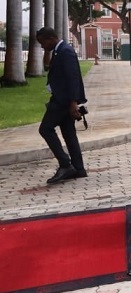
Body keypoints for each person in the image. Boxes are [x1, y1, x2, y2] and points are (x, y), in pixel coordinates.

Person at [36, 27, 88, 185]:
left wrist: (73, 102)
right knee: (68, 132)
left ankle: (65, 164)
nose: (42, 46)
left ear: (51, 38)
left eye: (42, 42)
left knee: (45, 129)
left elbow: (73, 77)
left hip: (63, 100)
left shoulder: (65, 51)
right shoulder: (59, 51)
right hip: (63, 99)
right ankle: (78, 168)